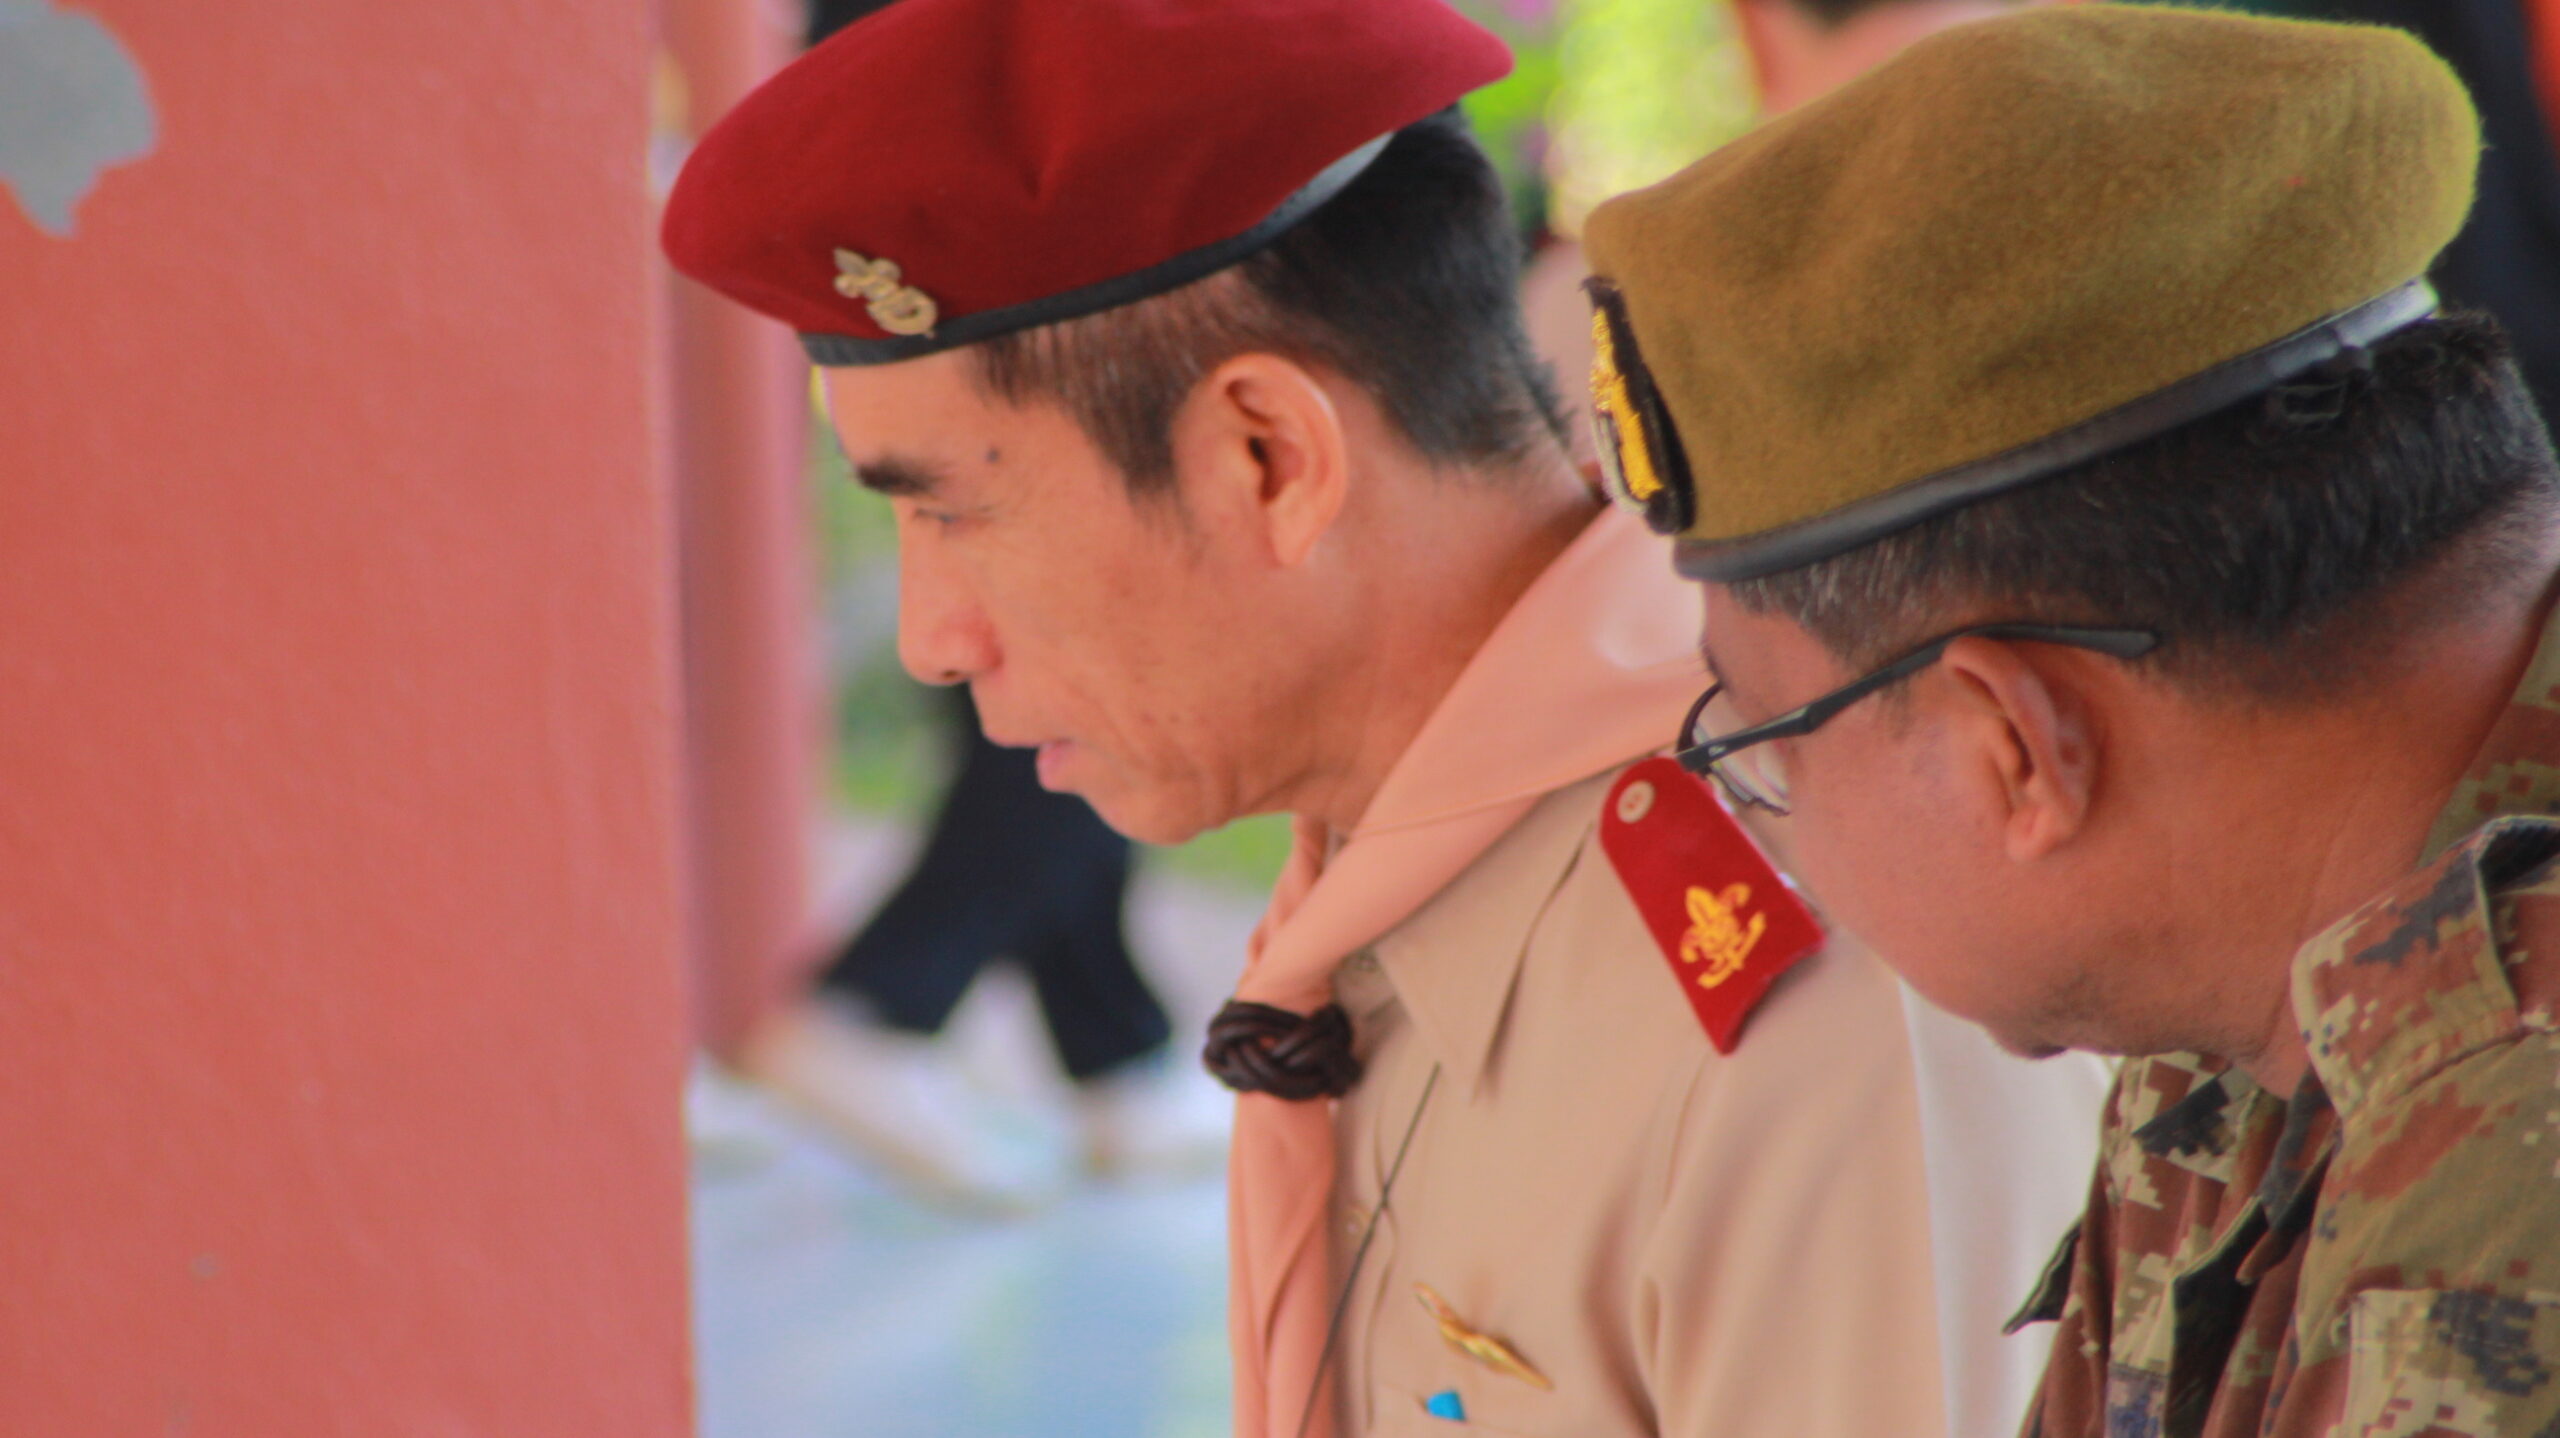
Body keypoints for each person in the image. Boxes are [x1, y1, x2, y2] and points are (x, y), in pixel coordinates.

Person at [662, 2, 2107, 1435]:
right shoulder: (1394, 867)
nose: (930, 640)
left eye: (953, 513)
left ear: (1269, 459)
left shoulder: (1816, 1003)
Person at [1579, 6, 2560, 1434]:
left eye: (1765, 745)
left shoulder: (2513, 1145)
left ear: (2016, 746)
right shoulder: (2246, 977)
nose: (1772, 830)